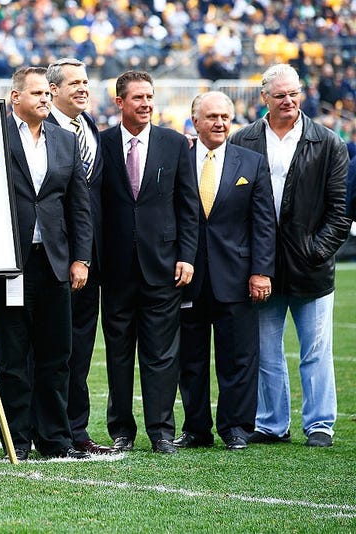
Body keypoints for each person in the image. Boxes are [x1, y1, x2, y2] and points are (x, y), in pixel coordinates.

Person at [229, 64, 351, 448]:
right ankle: (271, 423)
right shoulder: (242, 140)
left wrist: (316, 251)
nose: (288, 101)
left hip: (311, 266)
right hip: (260, 266)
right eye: (279, 95)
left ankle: (319, 425)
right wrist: (250, 259)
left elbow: (339, 210)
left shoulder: (328, 141)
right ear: (264, 98)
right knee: (266, 351)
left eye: (293, 93)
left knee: (316, 351)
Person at [0, 66, 93, 461]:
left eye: (47, 94)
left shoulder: (65, 140)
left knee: (56, 354)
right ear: (15, 98)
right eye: (36, 94)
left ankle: (55, 438)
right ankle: (17, 439)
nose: (45, 99)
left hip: (54, 263)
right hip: (9, 263)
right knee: (13, 356)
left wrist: (81, 259)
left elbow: (79, 206)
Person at [99, 70, 199, 454]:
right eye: (137, 97)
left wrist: (187, 256)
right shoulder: (101, 142)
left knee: (162, 354)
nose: (145, 104)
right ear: (120, 102)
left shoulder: (175, 143)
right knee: (119, 354)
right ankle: (121, 430)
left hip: (163, 269)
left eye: (149, 97)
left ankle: (161, 431)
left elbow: (188, 206)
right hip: (116, 269)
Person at [175, 91, 276, 451]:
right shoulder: (179, 158)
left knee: (239, 358)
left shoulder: (251, 162)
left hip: (237, 276)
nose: (219, 123)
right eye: (212, 117)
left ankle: (236, 428)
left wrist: (261, 271)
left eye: (225, 117)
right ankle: (196, 429)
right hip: (188, 278)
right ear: (195, 120)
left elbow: (263, 223)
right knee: (191, 358)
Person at [43, 58, 115, 456]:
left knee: (82, 348)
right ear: (53, 90)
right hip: (53, 256)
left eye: (86, 82)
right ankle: (51, 430)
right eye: (75, 83)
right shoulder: (40, 128)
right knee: (55, 349)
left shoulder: (88, 127)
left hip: (89, 258)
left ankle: (76, 429)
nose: (84, 89)